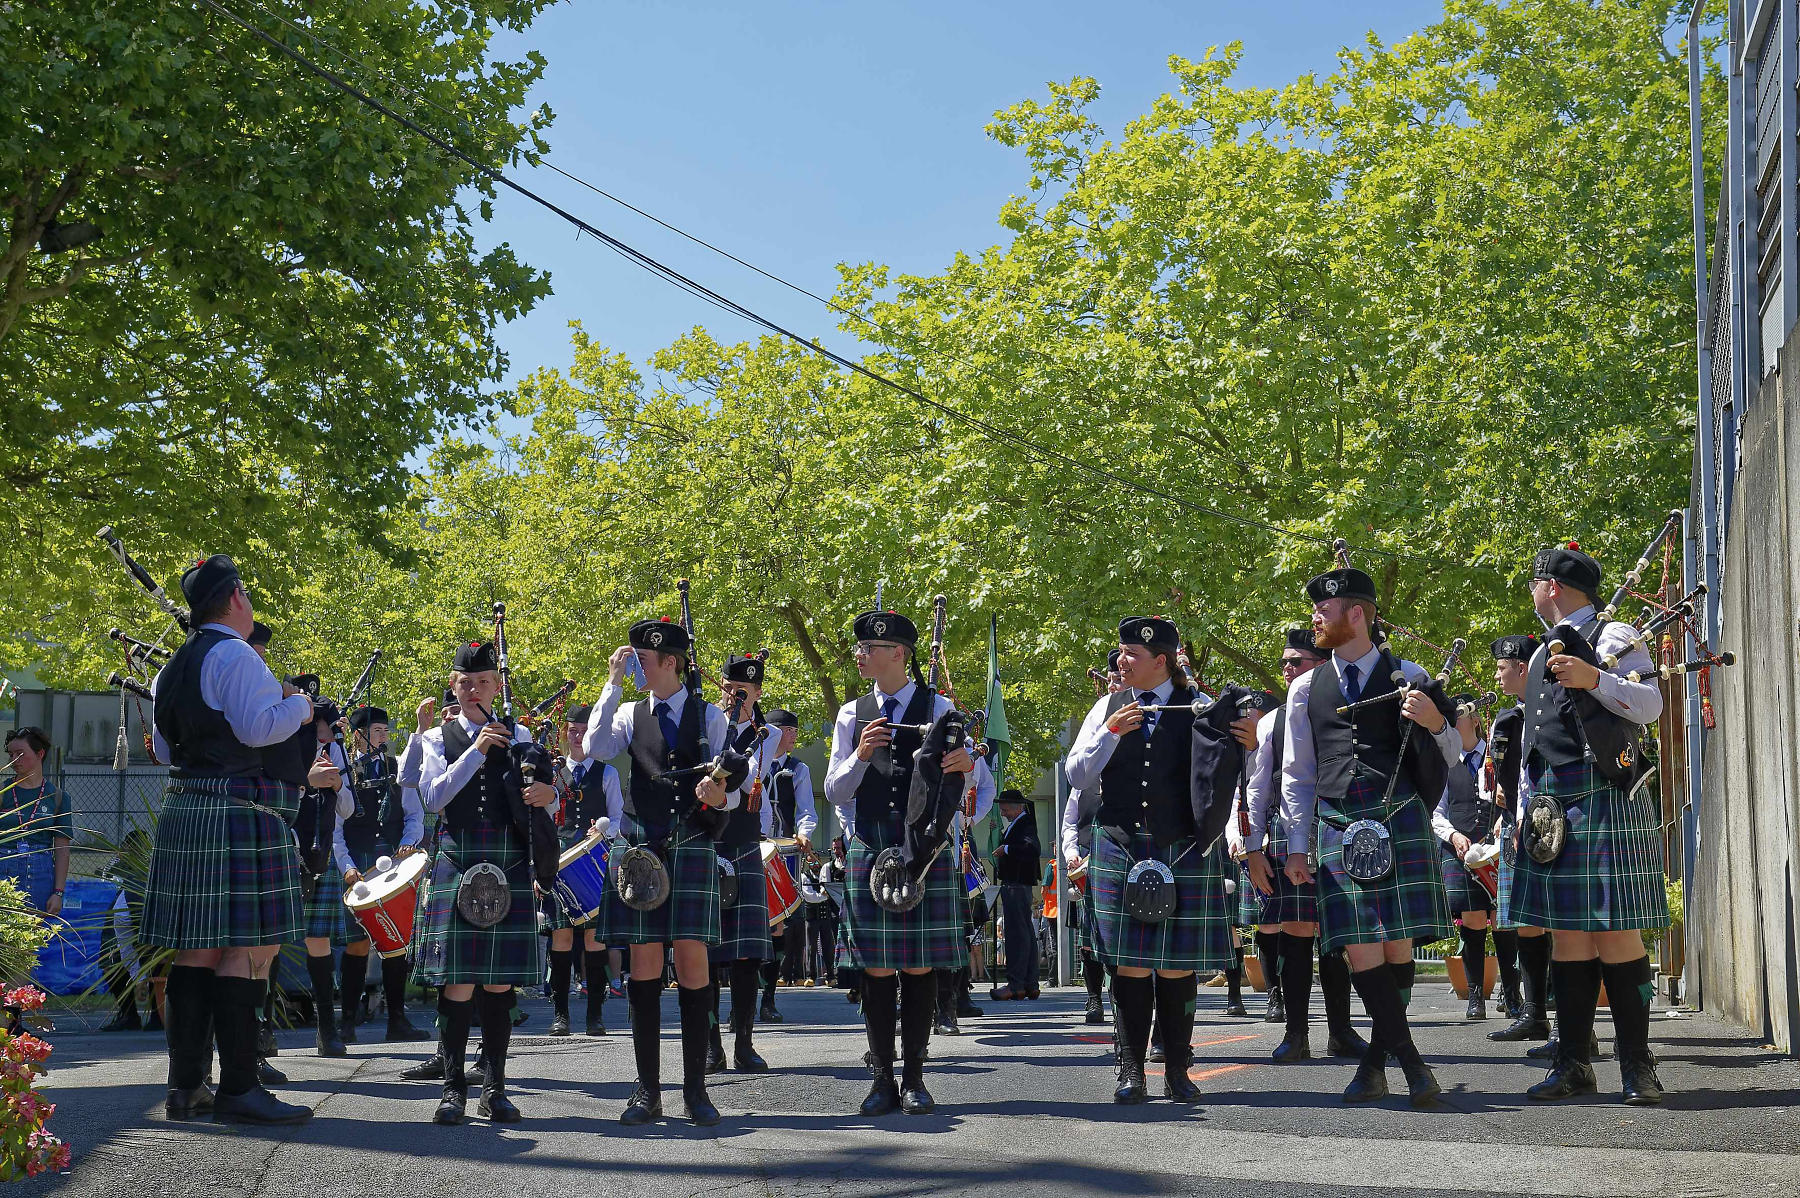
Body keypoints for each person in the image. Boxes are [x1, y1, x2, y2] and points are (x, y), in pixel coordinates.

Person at [141, 554, 320, 1124]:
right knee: (247, 949)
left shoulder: (166, 670)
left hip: (186, 812)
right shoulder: (236, 654)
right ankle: (240, 1088)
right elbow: (257, 728)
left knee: (196, 949)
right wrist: (299, 705)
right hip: (237, 813)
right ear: (236, 598)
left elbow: (166, 752)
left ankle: (185, 1086)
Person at [1279, 568, 1459, 1107]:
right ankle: (1414, 1065)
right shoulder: (1305, 689)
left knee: (1397, 945)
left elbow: (1451, 756)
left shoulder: (1410, 674)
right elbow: (1298, 772)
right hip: (1339, 822)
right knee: (1361, 949)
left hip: (1399, 816)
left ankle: (1375, 1065)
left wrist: (1433, 721)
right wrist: (1295, 842)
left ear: (1356, 613)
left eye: (1324, 611)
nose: (1315, 619)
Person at [1063, 616, 1259, 1106]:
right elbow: (1077, 775)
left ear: (1161, 661)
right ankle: (1131, 1071)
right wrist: (1109, 733)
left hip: (1183, 847)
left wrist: (1253, 745)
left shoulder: (1201, 709)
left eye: (1131, 654)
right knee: (1128, 966)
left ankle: (1176, 1068)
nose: (1122, 661)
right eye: (1122, 651)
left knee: (1174, 968)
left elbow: (1240, 775)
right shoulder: (1107, 706)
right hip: (1119, 844)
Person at [1510, 543, 1667, 1105]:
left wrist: (1592, 676)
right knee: (1568, 933)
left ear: (1551, 586)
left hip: (1605, 794)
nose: (1531, 593)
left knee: (1616, 929)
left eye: (1534, 583)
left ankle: (1637, 1067)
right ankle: (1572, 1061)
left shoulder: (1614, 635)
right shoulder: (1533, 657)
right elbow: (1533, 741)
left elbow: (1650, 705)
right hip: (1551, 803)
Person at [584, 619, 740, 1128]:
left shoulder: (709, 715)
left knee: (694, 965)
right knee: (645, 966)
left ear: (669, 662)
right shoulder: (630, 712)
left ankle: (695, 1089)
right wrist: (611, 684)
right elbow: (597, 747)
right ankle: (646, 1090)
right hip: (644, 848)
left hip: (692, 843)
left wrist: (721, 794)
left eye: (643, 661)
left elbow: (733, 787)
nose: (636, 667)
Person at [824, 608, 978, 1116]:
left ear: (899, 654)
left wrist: (966, 766)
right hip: (872, 844)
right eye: (859, 647)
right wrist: (861, 754)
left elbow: (980, 789)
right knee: (876, 969)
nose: (861, 654)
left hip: (925, 848)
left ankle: (915, 1078)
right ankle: (882, 1078)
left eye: (870, 647)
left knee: (917, 966)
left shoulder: (940, 708)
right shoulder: (852, 714)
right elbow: (835, 790)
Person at [414, 640, 558, 1124]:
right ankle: (453, 1089)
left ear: (497, 686)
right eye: (465, 681)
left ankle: (494, 1088)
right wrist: (476, 753)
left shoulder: (521, 736)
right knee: (457, 981)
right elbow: (433, 798)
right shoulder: (438, 739)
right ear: (453, 687)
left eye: (484, 681)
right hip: (459, 859)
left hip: (509, 864)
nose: (475, 688)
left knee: (498, 984)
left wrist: (548, 793)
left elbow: (548, 804)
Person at [1235, 629, 1367, 1063]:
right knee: (1294, 936)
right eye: (1284, 663)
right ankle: (1296, 1033)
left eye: (1297, 661)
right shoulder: (1272, 720)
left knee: (1338, 938)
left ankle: (1341, 1032)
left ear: (1321, 662)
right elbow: (1256, 788)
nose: (1288, 670)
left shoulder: (1342, 706)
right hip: (1288, 834)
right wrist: (1252, 848)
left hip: (1337, 831)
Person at [706, 653, 780, 1073]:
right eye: (734, 689)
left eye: (748, 692)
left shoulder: (763, 734)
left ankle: (745, 1043)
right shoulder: (705, 724)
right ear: (723, 685)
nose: (740, 696)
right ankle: (711, 1044)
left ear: (757, 693)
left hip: (743, 839)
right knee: (708, 951)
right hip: (706, 839)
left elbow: (749, 776)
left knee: (748, 953)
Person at [336, 705, 428, 1042]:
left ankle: (397, 1021)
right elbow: (336, 829)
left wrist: (407, 843)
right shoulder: (344, 772)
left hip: (392, 864)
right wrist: (347, 868)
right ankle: (346, 1022)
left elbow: (414, 815)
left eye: (386, 732)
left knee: (396, 943)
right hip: (358, 865)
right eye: (377, 732)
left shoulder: (397, 769)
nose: (384, 737)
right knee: (358, 943)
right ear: (358, 735)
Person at [1486, 634, 1552, 1046]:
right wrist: (1503, 816)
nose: (1497, 673)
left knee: (1568, 926)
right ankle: (1535, 1014)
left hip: (1554, 825)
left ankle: (1573, 1026)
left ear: (1523, 667)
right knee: (1525, 921)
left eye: (1501, 666)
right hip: (1518, 825)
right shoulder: (1508, 720)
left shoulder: (1554, 710)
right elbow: (1497, 777)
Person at [544, 703, 621, 1038]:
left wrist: (603, 832)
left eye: (584, 731)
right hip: (559, 860)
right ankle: (561, 1015)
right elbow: (543, 818)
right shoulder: (553, 773)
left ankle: (595, 1015)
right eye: (572, 731)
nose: (577, 737)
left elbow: (618, 819)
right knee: (561, 937)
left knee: (593, 938)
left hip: (593, 862)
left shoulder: (607, 773)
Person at [290, 699, 355, 1056]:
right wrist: (306, 782)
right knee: (265, 944)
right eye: (324, 723)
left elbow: (348, 809)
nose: (329, 729)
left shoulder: (336, 753)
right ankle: (262, 1032)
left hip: (320, 854)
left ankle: (326, 1031)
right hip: (286, 849)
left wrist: (335, 786)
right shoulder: (285, 744)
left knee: (319, 941)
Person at [1431, 698, 1499, 1019]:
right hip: (1461, 849)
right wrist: (1455, 836)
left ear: (1473, 719)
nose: (1450, 723)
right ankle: (1476, 995)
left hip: (1498, 846)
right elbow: (1437, 811)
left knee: (1504, 920)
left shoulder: (1495, 754)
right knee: (1472, 918)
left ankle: (1512, 993)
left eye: (1456, 716)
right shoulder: (1445, 763)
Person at [761, 709, 817, 1002]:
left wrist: (805, 832)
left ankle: (768, 996)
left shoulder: (799, 769)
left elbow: (807, 809)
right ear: (774, 732)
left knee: (778, 920)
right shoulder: (753, 762)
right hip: (752, 845)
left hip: (782, 848)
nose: (795, 735)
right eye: (790, 730)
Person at [2, 727, 72, 923]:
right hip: (4, 870)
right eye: (11, 754)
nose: (13, 760)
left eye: (20, 754)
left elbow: (62, 848)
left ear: (40, 754)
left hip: (40, 875)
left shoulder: (58, 797)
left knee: (35, 939)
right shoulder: (3, 792)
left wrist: (58, 892)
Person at [989, 790, 1040, 1001]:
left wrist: (1007, 848)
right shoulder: (1020, 823)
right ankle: (1030, 983)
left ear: (1018, 807)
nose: (1003, 811)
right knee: (1025, 933)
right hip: (1019, 884)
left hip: (1016, 884)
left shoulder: (1024, 823)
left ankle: (1016, 983)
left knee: (1016, 934)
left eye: (1006, 807)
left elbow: (1032, 848)